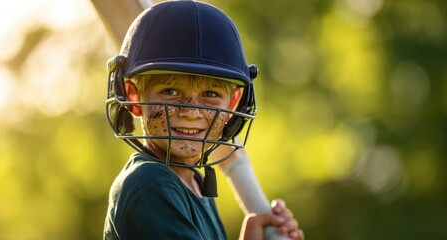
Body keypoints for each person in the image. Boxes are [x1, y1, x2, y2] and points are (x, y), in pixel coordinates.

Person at [102, 1, 303, 239]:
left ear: (232, 104)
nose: (191, 112)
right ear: (133, 97)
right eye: (170, 91)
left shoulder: (195, 183)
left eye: (210, 94)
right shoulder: (150, 185)